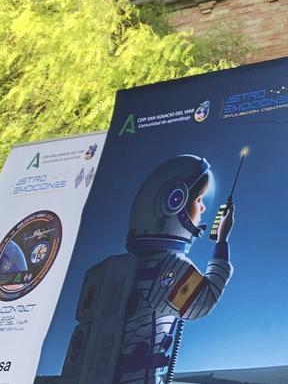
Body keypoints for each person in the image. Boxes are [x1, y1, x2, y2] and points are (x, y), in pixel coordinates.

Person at [59, 154, 235, 384]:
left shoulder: (124, 267)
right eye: (198, 200)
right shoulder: (167, 267)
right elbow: (204, 302)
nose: (202, 208)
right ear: (174, 203)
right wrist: (222, 241)